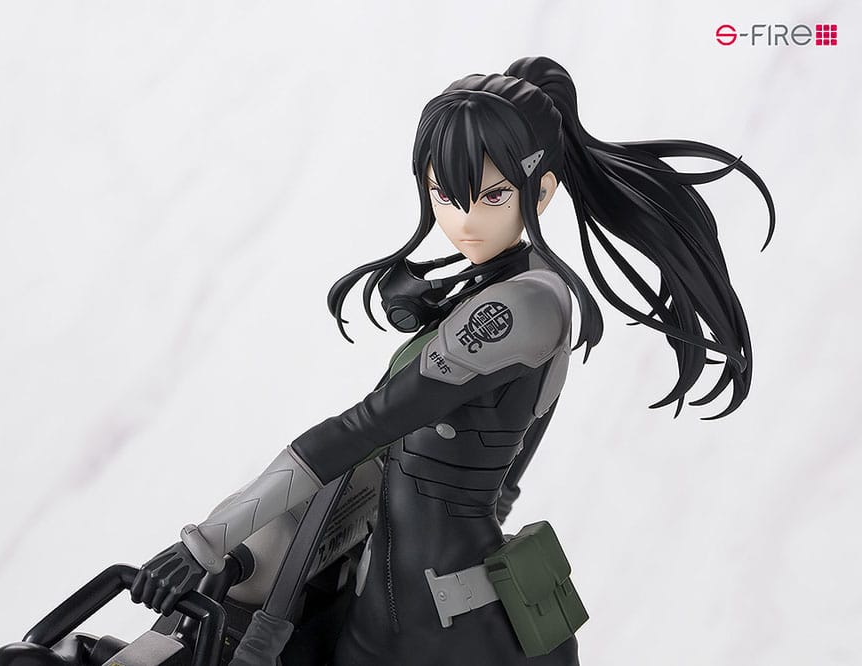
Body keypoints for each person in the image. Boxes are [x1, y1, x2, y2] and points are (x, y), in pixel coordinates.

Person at [130, 55, 774, 665]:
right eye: (444, 194)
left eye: (491, 196)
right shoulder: (514, 286)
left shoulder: (521, 306)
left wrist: (207, 540)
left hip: (426, 600)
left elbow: (365, 427)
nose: (463, 221)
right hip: (412, 576)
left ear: (542, 192)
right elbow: (504, 465)